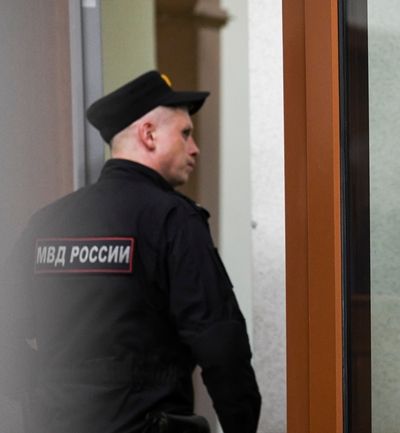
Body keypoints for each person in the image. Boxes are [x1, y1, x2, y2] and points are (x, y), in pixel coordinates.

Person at [2, 71, 261, 432]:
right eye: (185, 133)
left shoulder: (48, 223)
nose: (195, 148)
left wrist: (48, 393)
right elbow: (221, 347)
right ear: (149, 134)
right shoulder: (174, 219)